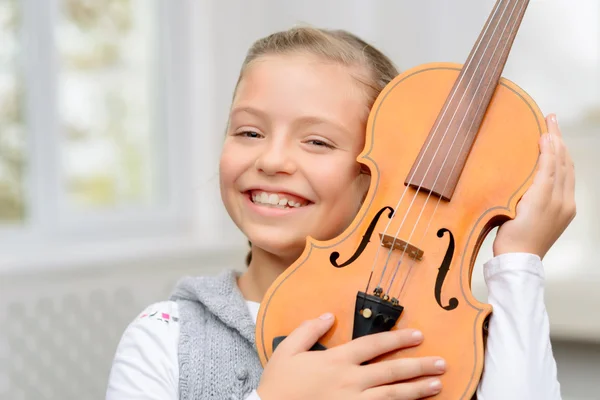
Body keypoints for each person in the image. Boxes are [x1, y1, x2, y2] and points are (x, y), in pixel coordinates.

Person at [106, 26, 575, 400]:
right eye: (249, 132)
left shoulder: (455, 335)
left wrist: (519, 261)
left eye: (317, 141)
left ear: (379, 171)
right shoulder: (167, 335)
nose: (271, 161)